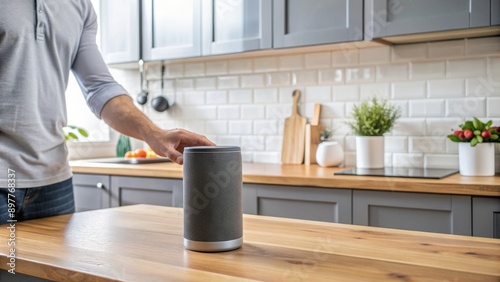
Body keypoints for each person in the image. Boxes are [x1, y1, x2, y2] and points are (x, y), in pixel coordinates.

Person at [0, 0, 215, 225]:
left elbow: (99, 88)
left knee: (50, 262)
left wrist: (154, 134)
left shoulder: (79, 5)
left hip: (53, 180)